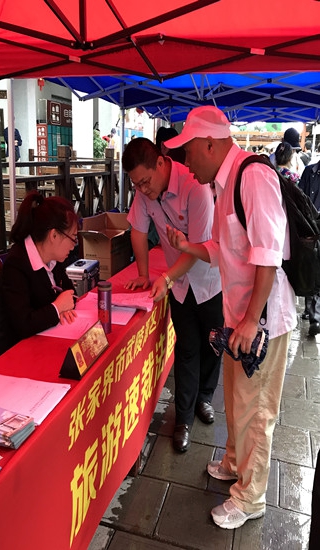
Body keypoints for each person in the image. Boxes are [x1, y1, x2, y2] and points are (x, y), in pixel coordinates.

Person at [164, 106, 296, 528]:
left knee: (257, 412)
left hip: (262, 323)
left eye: (188, 152)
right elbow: (223, 250)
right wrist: (187, 246)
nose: (186, 163)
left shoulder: (252, 176)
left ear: (209, 143)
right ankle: (236, 463)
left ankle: (251, 496)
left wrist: (251, 320)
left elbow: (268, 255)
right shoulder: (225, 183)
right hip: (239, 319)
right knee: (237, 402)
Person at [122, 137, 223, 453]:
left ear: (161, 163)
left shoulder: (195, 187)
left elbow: (195, 249)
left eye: (146, 181)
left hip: (210, 284)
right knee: (187, 350)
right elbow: (137, 232)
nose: (143, 190)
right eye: (136, 185)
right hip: (179, 288)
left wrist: (165, 277)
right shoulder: (143, 192)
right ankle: (183, 420)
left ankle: (205, 398)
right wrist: (142, 273)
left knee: (214, 345)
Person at [0, 192, 79, 361]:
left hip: (43, 344)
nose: (74, 246)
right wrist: (57, 307)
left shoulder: (54, 259)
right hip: (13, 357)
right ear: (54, 235)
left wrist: (64, 306)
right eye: (73, 238)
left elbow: (69, 293)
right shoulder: (17, 264)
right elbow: (23, 324)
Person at [298, 158, 320, 335]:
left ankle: (314, 314)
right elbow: (301, 197)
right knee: (312, 268)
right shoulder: (309, 172)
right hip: (312, 227)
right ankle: (313, 314)